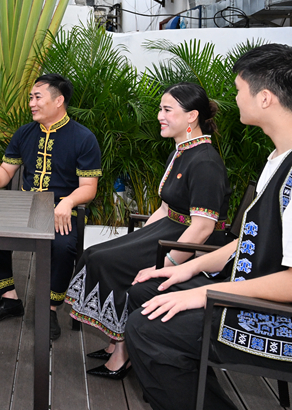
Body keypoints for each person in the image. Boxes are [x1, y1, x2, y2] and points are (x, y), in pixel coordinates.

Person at [125, 44, 292, 410]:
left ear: (264, 98)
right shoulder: (281, 157)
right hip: (252, 292)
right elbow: (251, 237)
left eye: (238, 89)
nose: (234, 98)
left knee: (148, 329)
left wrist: (206, 294)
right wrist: (187, 269)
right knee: (147, 292)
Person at [65, 82, 231, 379]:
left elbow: (203, 228)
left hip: (191, 244)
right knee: (98, 253)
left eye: (167, 109)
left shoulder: (205, 161)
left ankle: (123, 351)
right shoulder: (181, 152)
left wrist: (168, 264)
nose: (159, 116)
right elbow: (166, 209)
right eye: (160, 109)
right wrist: (131, 241)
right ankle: (118, 338)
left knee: (108, 261)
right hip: (169, 230)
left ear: (192, 116)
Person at [0, 73, 101, 341]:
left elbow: (89, 187)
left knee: (63, 245)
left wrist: (68, 202)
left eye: (37, 97)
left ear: (59, 101)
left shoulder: (84, 137)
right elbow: (6, 170)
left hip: (62, 208)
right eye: (30, 97)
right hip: (25, 204)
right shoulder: (24, 133)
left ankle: (49, 308)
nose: (31, 103)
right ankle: (9, 298)